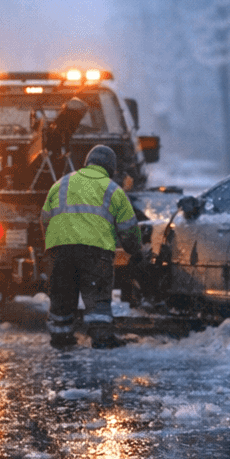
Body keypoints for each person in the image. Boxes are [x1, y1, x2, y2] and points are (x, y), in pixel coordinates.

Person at [40, 144, 141, 350]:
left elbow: (45, 219)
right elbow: (129, 229)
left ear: (87, 163)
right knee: (97, 298)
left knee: (62, 296)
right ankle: (102, 338)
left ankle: (61, 337)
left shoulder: (61, 184)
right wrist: (135, 251)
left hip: (61, 250)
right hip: (96, 252)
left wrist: (52, 246)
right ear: (110, 168)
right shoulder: (114, 190)